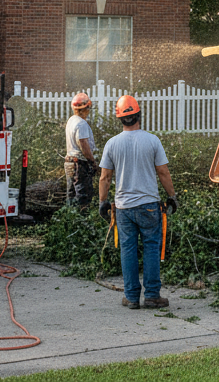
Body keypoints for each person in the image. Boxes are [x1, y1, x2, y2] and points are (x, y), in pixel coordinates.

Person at [98, 94, 178, 310]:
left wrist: (103, 202)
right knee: (152, 248)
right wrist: (172, 196)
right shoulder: (152, 140)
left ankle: (131, 297)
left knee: (128, 250)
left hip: (123, 208)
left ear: (120, 119)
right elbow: (163, 172)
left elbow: (105, 177)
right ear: (139, 115)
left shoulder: (112, 144)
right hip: (149, 206)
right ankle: (152, 296)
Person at [64, 92, 97, 211]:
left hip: (70, 162)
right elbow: (83, 144)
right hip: (79, 164)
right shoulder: (81, 124)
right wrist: (92, 162)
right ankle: (81, 221)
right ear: (86, 108)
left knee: (71, 195)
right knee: (82, 196)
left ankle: (70, 219)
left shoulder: (71, 120)